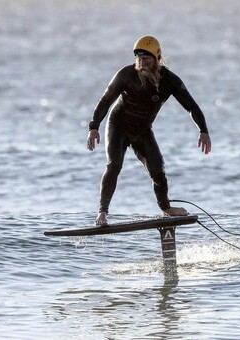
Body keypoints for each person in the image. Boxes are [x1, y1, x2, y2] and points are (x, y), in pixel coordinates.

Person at [87, 35, 211, 225]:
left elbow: (191, 106)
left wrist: (203, 130)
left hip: (142, 130)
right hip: (118, 125)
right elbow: (106, 100)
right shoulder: (126, 74)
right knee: (114, 165)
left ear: (157, 58)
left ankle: (166, 208)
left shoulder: (169, 81)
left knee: (158, 170)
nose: (141, 63)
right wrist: (94, 126)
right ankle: (102, 212)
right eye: (139, 59)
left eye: (146, 59)